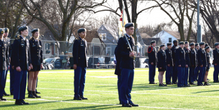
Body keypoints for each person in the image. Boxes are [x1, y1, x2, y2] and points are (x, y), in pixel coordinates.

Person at [117, 23, 138, 107]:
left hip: (131, 64)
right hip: (125, 65)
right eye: (131, 29)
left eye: (133, 29)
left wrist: (134, 53)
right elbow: (119, 52)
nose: (132, 30)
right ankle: (124, 100)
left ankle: (128, 99)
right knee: (124, 84)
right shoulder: (122, 39)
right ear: (126, 29)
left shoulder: (132, 39)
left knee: (129, 84)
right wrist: (128, 54)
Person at [13, 26, 32, 105]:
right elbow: (15, 54)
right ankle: (17, 99)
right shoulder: (17, 41)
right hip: (19, 65)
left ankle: (22, 98)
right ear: (21, 32)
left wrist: (30, 63)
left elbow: (28, 54)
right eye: (25, 31)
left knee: (24, 83)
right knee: (18, 82)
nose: (27, 32)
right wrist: (17, 65)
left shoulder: (27, 41)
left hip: (25, 65)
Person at [73, 28, 88, 100]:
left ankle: (81, 94)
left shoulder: (85, 41)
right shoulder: (77, 41)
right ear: (79, 33)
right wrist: (75, 63)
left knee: (82, 80)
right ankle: (76, 95)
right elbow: (75, 53)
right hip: (78, 63)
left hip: (83, 63)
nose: (84, 34)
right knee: (77, 80)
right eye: (83, 32)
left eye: (85, 32)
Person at [28, 28, 42, 98]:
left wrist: (41, 62)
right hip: (32, 61)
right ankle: (30, 91)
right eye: (36, 33)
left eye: (38, 33)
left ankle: (34, 91)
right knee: (31, 77)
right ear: (33, 34)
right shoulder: (30, 41)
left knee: (35, 77)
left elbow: (41, 53)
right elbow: (29, 53)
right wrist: (30, 63)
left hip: (38, 61)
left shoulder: (39, 41)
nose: (37, 34)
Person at [0, 29, 9, 101]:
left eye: (2, 34)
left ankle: (1, 95)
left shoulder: (4, 42)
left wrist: (6, 64)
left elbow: (5, 55)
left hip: (3, 64)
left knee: (2, 81)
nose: (1, 35)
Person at [2, 28, 10, 96]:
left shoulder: (7, 40)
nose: (6, 34)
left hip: (4, 62)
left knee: (3, 79)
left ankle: (2, 91)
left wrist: (7, 62)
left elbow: (7, 52)